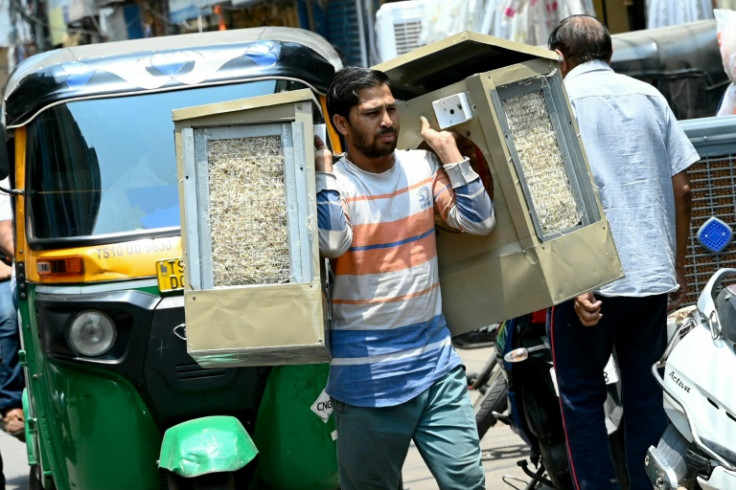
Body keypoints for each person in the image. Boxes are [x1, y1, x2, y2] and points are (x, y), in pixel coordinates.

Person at [315, 66, 495, 489]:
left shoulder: (421, 166)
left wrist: (450, 152)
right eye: (372, 113)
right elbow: (333, 242)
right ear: (341, 123)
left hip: (436, 367)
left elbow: (479, 220)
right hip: (365, 382)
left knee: (468, 483)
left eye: (392, 110)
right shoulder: (335, 184)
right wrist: (323, 169)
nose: (388, 122)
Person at [546, 15, 699, 490]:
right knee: (646, 398)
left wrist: (570, 281)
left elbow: (550, 202)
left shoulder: (556, 102)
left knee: (582, 398)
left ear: (559, 58)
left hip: (587, 285)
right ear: (608, 54)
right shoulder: (649, 96)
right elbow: (684, 186)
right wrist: (674, 268)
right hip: (650, 278)